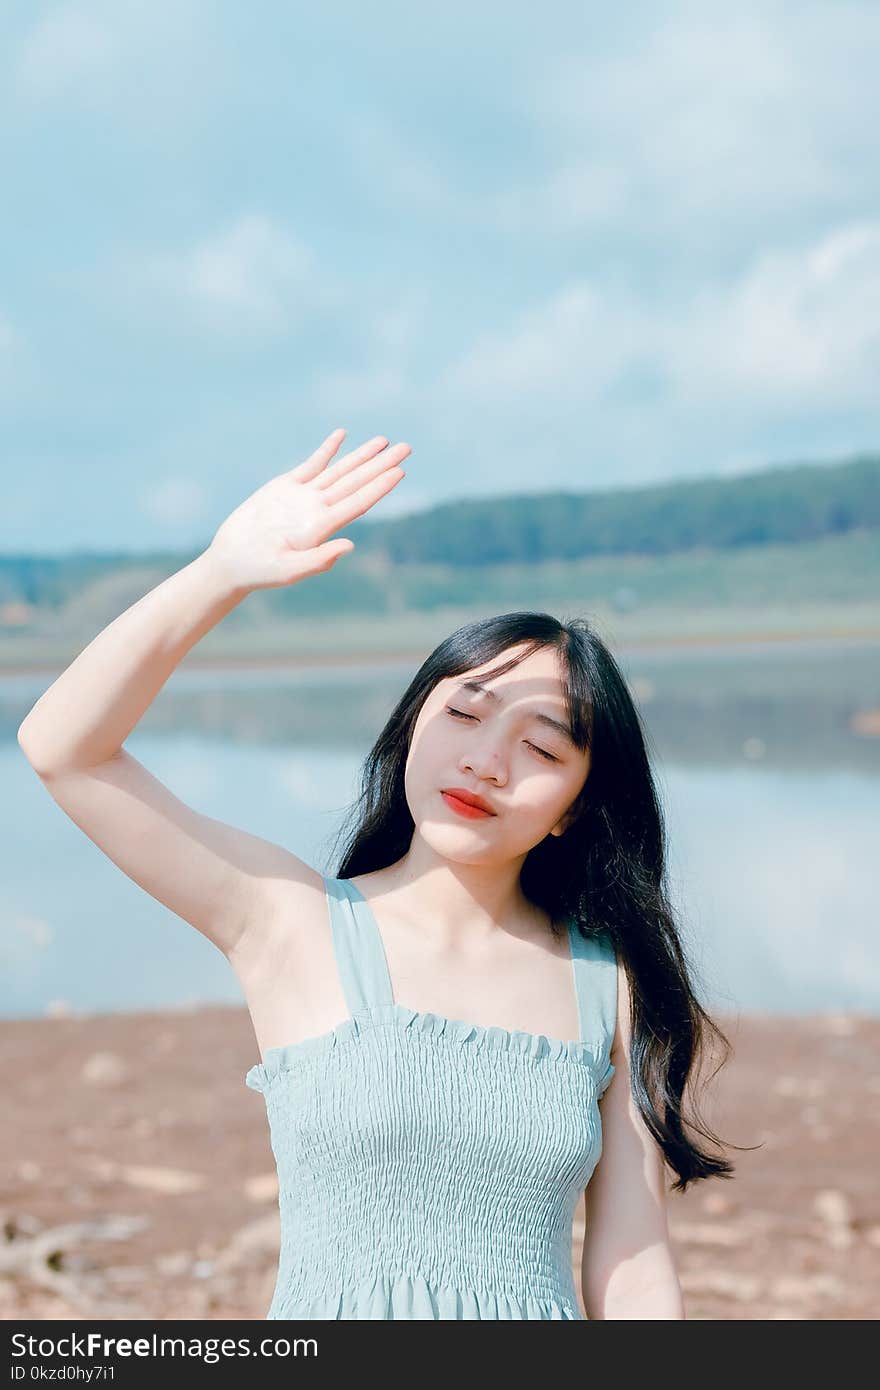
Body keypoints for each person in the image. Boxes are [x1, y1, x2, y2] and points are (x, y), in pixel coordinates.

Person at [17, 427, 736, 1321]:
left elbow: (631, 1270)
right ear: (408, 731)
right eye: (464, 714)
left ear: (576, 806)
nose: (485, 761)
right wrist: (221, 573)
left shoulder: (605, 981)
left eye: (540, 746)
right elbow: (64, 751)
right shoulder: (290, 922)